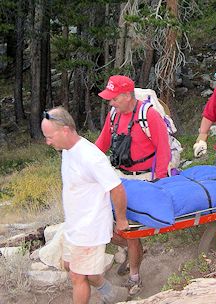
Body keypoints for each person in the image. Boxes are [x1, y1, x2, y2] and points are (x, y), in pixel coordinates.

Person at [41, 107, 129, 304]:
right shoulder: (67, 150)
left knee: (77, 277)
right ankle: (112, 293)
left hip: (90, 227)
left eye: (49, 136)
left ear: (65, 130)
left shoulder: (90, 156)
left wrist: (121, 220)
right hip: (74, 225)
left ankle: (110, 294)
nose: (47, 142)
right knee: (71, 266)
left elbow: (117, 188)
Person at [96, 75, 171, 296]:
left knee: (130, 230)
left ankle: (135, 277)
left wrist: (159, 181)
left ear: (127, 95)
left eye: (113, 98)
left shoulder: (148, 115)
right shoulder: (113, 115)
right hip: (120, 177)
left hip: (144, 179)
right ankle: (133, 251)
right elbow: (102, 143)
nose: (110, 103)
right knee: (106, 224)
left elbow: (163, 148)